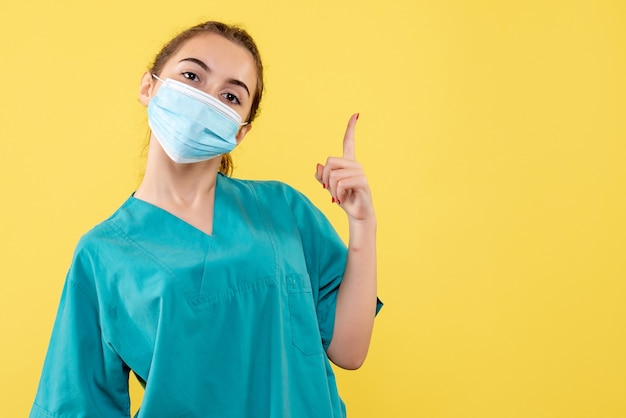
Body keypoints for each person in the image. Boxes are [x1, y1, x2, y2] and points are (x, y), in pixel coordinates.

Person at [30, 21, 381, 418]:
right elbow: (77, 403)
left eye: (230, 95)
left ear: (240, 132)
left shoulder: (283, 210)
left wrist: (363, 225)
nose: (205, 99)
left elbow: (349, 351)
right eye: (192, 75)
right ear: (150, 87)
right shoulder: (101, 255)